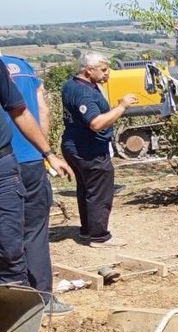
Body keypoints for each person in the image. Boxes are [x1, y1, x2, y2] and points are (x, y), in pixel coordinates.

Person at [1, 55, 74, 315]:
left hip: (7, 161)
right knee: (34, 231)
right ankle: (42, 299)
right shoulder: (25, 68)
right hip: (28, 158)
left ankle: (17, 303)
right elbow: (41, 110)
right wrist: (46, 152)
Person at [61, 52, 137, 248]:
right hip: (89, 149)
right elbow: (96, 123)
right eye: (103, 70)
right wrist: (121, 107)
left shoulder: (71, 85)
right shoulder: (84, 92)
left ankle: (87, 230)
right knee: (100, 191)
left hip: (74, 145)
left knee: (86, 189)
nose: (107, 74)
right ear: (88, 70)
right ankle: (99, 237)